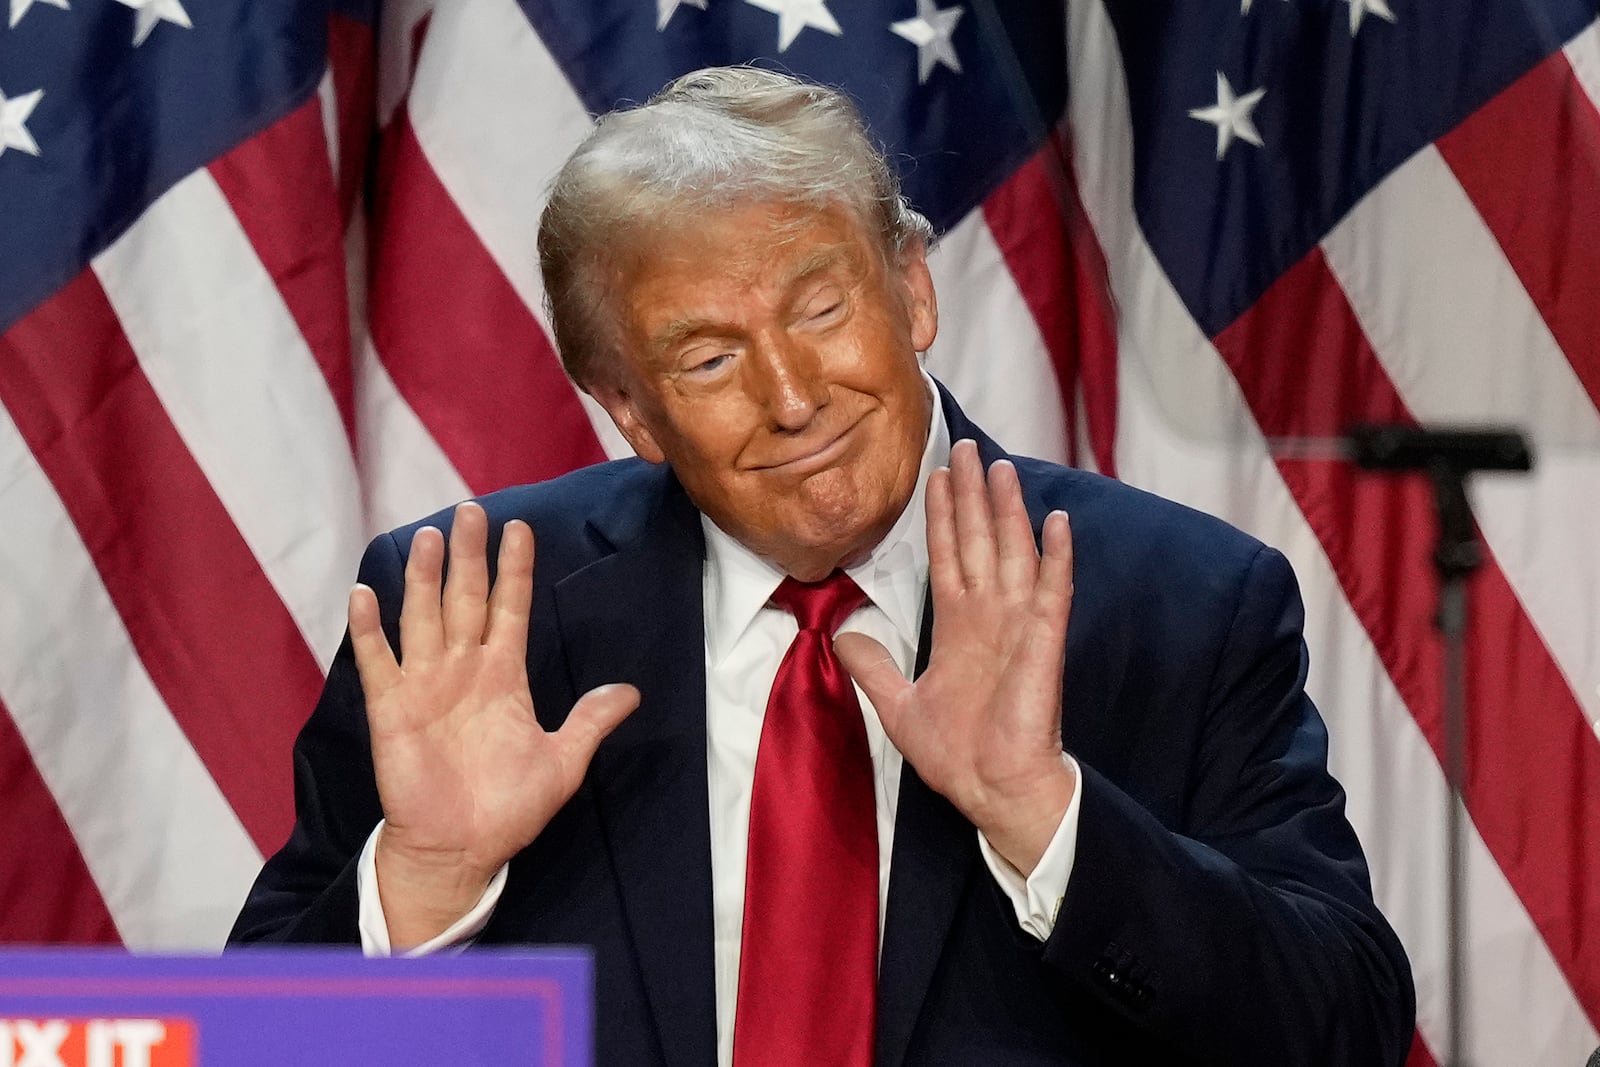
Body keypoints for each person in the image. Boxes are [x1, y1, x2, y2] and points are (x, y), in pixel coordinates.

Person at [231, 66, 1415, 1065]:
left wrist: (1043, 812)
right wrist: (428, 883)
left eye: (820, 306)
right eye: (705, 359)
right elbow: (256, 1043)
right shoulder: (477, 611)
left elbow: (1347, 1027)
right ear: (629, 410)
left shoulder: (1175, 601)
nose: (793, 398)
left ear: (909, 286)